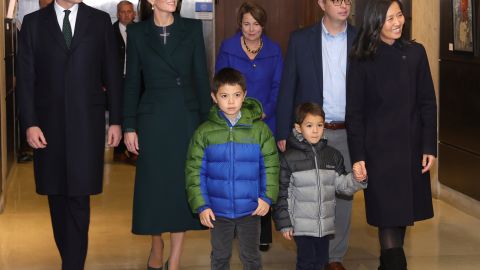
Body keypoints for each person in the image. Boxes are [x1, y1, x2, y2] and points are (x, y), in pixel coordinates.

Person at [16, 0, 122, 269]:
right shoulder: (33, 24)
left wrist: (117, 121)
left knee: (79, 196)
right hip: (47, 127)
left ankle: (72, 264)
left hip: (87, 124)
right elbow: (26, 78)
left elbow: (112, 73)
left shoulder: (99, 22)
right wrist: (29, 123)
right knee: (57, 196)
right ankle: (71, 259)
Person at [346, 1, 437, 269]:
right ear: (374, 22)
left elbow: (427, 104)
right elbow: (355, 113)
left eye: (399, 15)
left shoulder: (416, 53)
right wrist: (358, 155)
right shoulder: (362, 59)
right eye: (389, 18)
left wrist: (429, 146)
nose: (397, 22)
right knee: (388, 225)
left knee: (400, 221)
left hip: (410, 154)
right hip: (379, 157)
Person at [122, 0, 211, 269]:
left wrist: (208, 127)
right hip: (152, 120)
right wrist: (129, 125)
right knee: (154, 189)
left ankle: (174, 261)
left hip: (185, 118)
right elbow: (133, 82)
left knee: (181, 188)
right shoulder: (137, 33)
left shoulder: (193, 29)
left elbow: (201, 76)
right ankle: (156, 242)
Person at [276, 0, 356, 269]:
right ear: (322, 3)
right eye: (337, 0)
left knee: (343, 196)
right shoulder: (301, 40)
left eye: (348, 0)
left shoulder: (360, 39)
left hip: (346, 131)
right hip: (310, 133)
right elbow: (288, 86)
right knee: (306, 195)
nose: (344, 5)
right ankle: (310, 254)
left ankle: (335, 257)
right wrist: (283, 130)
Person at [185, 67, 279, 270]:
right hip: (218, 212)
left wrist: (267, 197)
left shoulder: (260, 130)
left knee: (251, 257)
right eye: (224, 96)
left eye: (236, 95)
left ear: (244, 96)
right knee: (219, 257)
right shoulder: (204, 133)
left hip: (251, 209)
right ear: (214, 97)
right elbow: (194, 172)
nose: (231, 101)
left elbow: (271, 166)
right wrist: (202, 205)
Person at [215, 1, 283, 251]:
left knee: (262, 175)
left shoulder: (274, 50)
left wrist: (266, 110)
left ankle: (263, 232)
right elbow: (220, 82)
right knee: (237, 174)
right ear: (239, 25)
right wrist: (236, 110)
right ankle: (235, 226)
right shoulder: (229, 48)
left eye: (256, 24)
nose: (251, 29)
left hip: (266, 121)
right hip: (234, 121)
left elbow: (279, 86)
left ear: (263, 24)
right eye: (246, 24)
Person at [273, 102, 366, 270]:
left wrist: (357, 178)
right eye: (309, 125)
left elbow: (342, 185)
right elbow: (282, 193)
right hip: (301, 227)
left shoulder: (332, 156)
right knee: (306, 263)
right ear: (298, 128)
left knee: (322, 262)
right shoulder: (289, 158)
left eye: (319, 125)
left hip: (325, 226)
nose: (315, 130)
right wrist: (285, 223)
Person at [112, 0, 137, 165]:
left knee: (136, 112)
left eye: (129, 11)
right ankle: (119, 151)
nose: (126, 15)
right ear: (117, 14)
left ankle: (135, 150)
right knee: (119, 113)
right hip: (117, 79)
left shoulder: (141, 31)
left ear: (134, 14)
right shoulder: (109, 31)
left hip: (135, 79)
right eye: (122, 11)